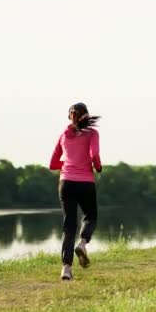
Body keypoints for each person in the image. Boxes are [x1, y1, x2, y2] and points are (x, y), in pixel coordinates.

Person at [49, 102, 102, 280]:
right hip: (85, 182)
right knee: (90, 216)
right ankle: (82, 243)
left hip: (66, 183)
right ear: (86, 115)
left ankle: (66, 269)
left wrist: (67, 164)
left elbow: (52, 164)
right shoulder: (92, 133)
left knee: (68, 226)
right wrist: (97, 166)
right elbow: (94, 155)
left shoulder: (64, 134)